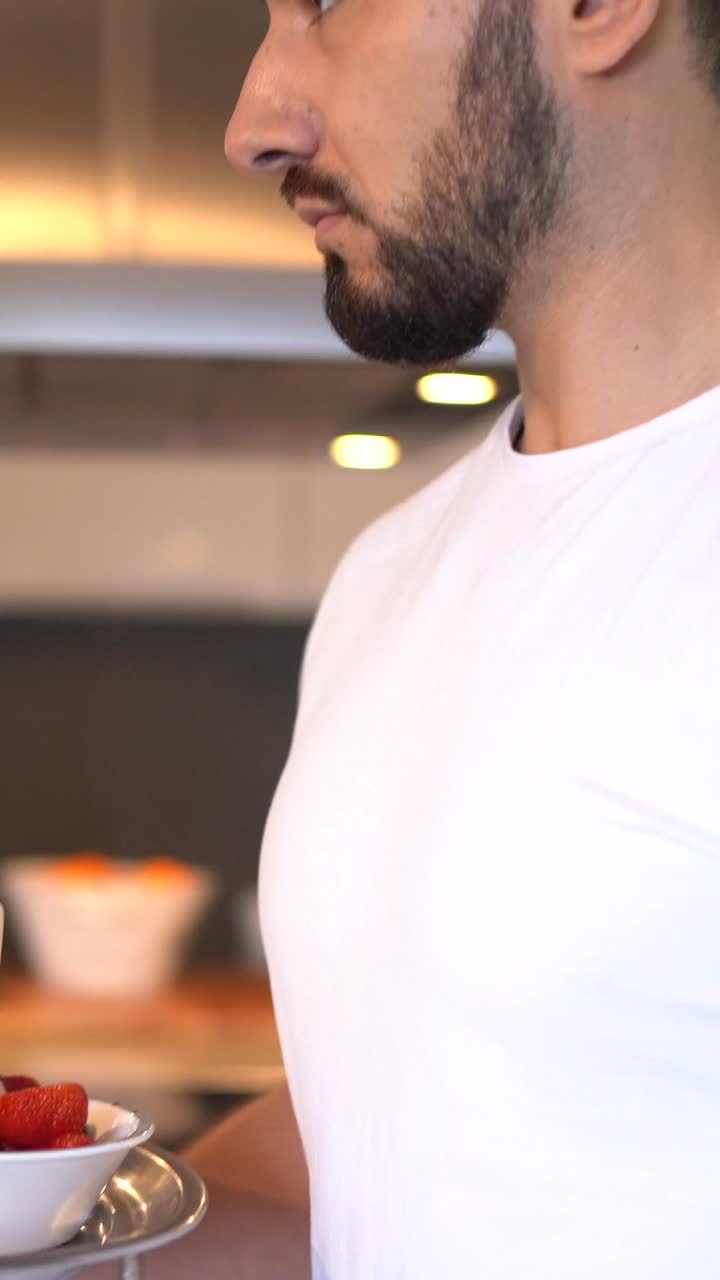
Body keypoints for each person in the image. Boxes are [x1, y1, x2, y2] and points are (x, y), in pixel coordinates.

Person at [98, 0, 720, 1275]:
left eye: (329, 5)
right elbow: (397, 1130)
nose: (253, 125)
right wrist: (81, 1237)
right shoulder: (390, 570)